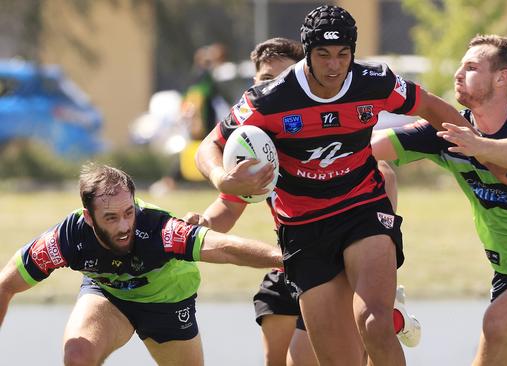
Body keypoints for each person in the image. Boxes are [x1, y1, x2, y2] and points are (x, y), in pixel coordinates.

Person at [195, 5, 475, 365]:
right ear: (308, 53)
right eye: (323, 55)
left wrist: (483, 151)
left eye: (343, 55)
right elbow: (210, 145)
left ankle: (388, 307)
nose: (334, 65)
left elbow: (433, 108)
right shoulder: (268, 100)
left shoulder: (375, 81)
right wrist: (223, 178)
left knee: (375, 325)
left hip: (362, 209)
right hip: (304, 230)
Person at [371, 34, 507, 366]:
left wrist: (480, 146)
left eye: (472, 67)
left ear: (502, 77)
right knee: (500, 327)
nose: (458, 74)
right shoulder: (447, 133)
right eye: (460, 67)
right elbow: (370, 147)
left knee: (497, 322)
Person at [0, 163, 282, 365]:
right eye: (111, 218)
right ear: (89, 217)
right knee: (78, 357)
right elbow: (5, 286)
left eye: (128, 212)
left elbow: (226, 249)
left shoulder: (159, 228)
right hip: (110, 296)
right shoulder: (67, 238)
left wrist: (285, 260)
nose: (124, 226)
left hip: (168, 301)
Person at [150, 43, 231, 195]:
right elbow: (195, 100)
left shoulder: (205, 77)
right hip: (202, 124)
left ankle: (169, 182)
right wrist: (195, 122)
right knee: (200, 153)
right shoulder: (203, 77)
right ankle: (168, 182)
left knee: (199, 153)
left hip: (203, 123)